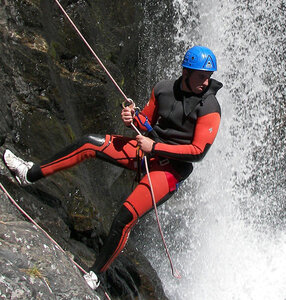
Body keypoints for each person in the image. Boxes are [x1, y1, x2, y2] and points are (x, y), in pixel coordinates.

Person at [3, 45, 223, 289]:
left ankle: (95, 275)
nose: (205, 82)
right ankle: (29, 174)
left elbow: (197, 152)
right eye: (201, 76)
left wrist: (155, 148)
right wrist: (131, 118)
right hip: (148, 150)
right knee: (89, 144)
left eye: (208, 77)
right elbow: (145, 123)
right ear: (186, 71)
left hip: (170, 170)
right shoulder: (163, 90)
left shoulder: (210, 107)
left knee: (125, 215)